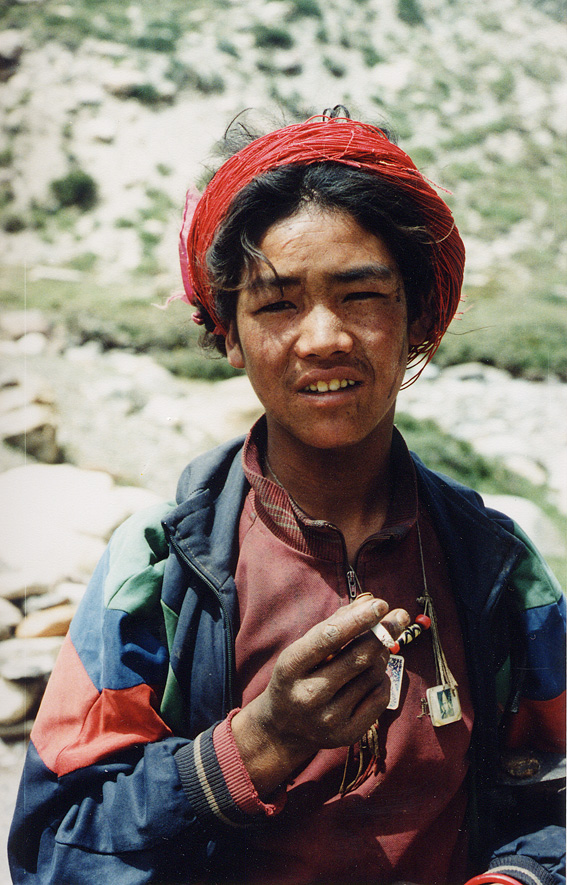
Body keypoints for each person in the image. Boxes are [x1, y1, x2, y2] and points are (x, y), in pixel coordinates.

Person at [8, 108, 566, 885]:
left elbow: (554, 805)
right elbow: (54, 849)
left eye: (362, 294)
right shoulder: (157, 572)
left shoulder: (495, 567)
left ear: (419, 318)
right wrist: (261, 740)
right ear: (227, 333)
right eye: (277, 303)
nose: (322, 337)